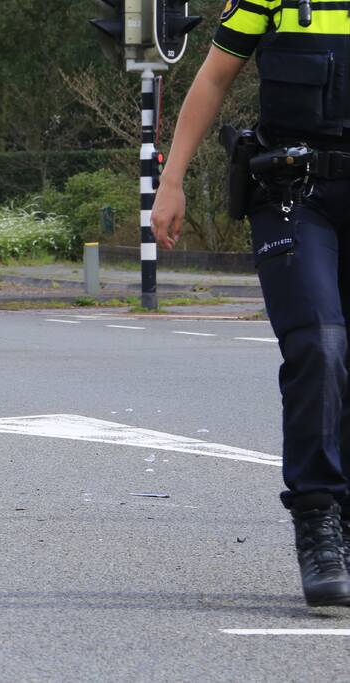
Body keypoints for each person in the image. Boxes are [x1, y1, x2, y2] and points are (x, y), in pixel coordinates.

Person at [152, 0, 350, 606]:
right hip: (296, 193)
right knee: (318, 342)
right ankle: (318, 518)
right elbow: (213, 77)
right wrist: (172, 179)